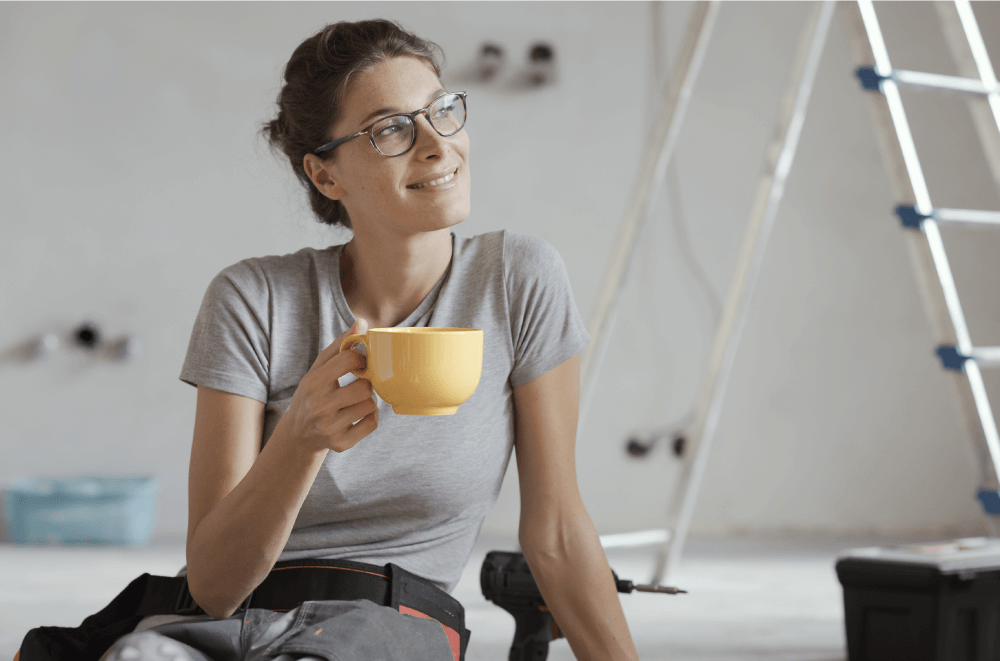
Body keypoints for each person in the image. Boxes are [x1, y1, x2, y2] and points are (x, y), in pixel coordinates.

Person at [17, 18, 640, 661]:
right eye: (391, 128)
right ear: (325, 176)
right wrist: (299, 440)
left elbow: (558, 533)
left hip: (388, 623)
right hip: (225, 623)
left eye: (442, 110)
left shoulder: (516, 280)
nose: (435, 145)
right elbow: (212, 586)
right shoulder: (251, 299)